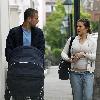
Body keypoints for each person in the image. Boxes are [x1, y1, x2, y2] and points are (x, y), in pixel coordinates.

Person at [5, 8, 45, 100]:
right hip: (18, 70)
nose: (37, 21)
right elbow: (9, 51)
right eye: (36, 18)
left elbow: (41, 51)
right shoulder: (14, 32)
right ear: (29, 19)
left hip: (33, 70)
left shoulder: (39, 33)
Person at [61, 18, 97, 100]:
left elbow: (95, 57)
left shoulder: (92, 41)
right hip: (74, 73)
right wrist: (69, 59)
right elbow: (63, 53)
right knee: (77, 98)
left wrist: (84, 55)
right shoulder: (72, 40)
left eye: (80, 26)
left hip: (88, 73)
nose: (78, 28)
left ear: (86, 28)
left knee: (88, 97)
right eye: (77, 26)